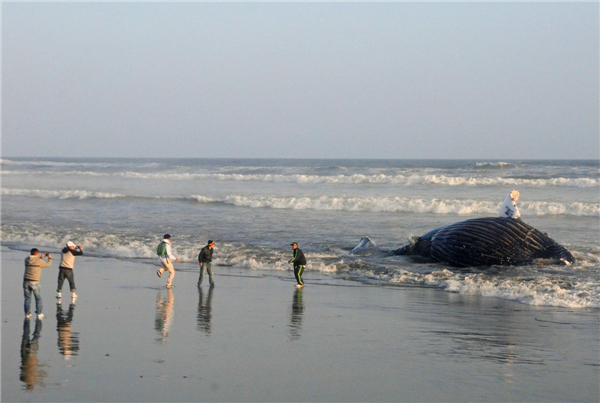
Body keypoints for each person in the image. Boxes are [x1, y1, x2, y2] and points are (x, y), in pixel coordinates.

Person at [23, 249, 52, 319]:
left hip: (26, 281)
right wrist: (50, 258)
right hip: (34, 282)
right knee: (38, 298)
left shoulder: (26, 259)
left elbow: (34, 262)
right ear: (36, 254)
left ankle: (27, 314)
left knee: (27, 299)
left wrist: (41, 257)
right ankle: (39, 313)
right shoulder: (39, 261)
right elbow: (48, 264)